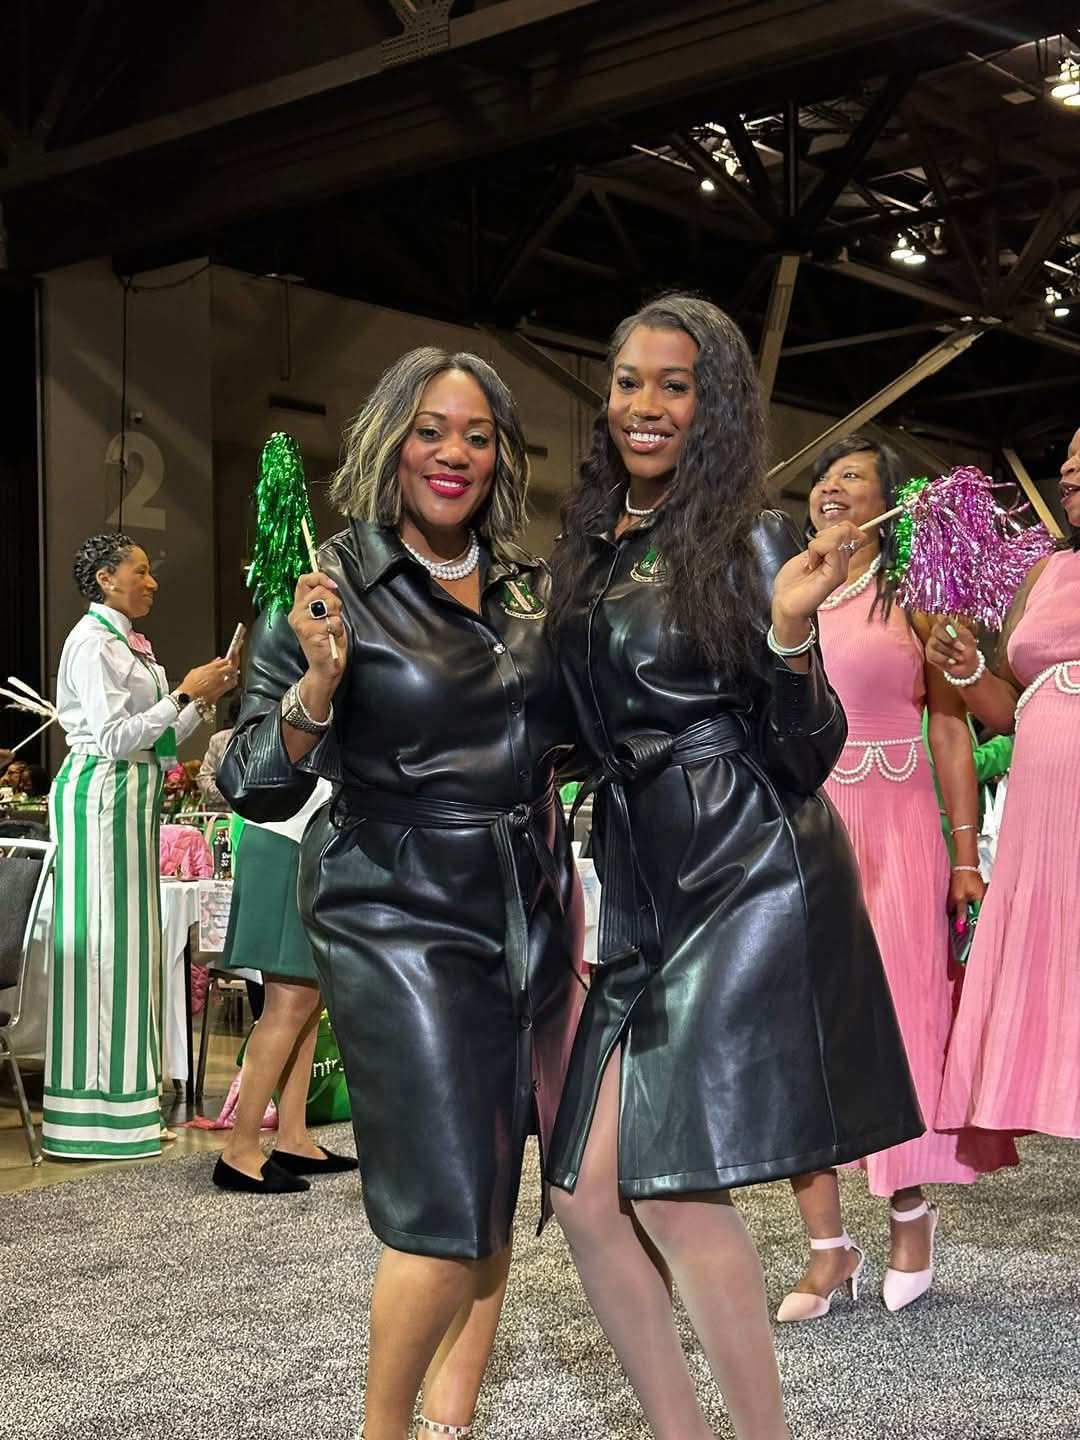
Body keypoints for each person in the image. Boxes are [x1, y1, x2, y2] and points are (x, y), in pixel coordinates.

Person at [544, 296, 921, 1440]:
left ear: (712, 407)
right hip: (641, 873)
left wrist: (793, 636)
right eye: (628, 381)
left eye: (676, 385)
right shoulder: (591, 545)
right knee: (581, 1194)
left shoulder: (750, 538)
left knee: (666, 1182)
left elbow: (807, 753)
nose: (645, 405)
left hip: (748, 864)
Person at [219, 348, 581, 1440]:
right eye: (431, 430)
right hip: (395, 908)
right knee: (443, 1198)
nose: (453, 453)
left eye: (477, 434)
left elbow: (576, 733)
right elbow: (252, 780)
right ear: (391, 440)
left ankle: (450, 1422)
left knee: (496, 1174)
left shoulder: (527, 586)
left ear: (501, 456)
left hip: (528, 898)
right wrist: (318, 686)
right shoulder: (330, 583)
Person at [773, 437, 1017, 1323]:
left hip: (902, 827)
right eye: (823, 477)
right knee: (805, 1026)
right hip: (808, 824)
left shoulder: (913, 595)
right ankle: (827, 1247)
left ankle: (911, 1212)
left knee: (901, 1023)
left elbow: (952, 728)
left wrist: (966, 857)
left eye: (853, 477)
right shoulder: (785, 588)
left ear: (887, 504)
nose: (831, 487)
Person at [44, 533, 235, 1160]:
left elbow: (155, 741)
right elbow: (113, 737)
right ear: (105, 578)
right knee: (105, 947)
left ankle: (128, 1106)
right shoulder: (93, 643)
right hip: (101, 795)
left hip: (131, 796)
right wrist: (183, 692)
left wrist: (199, 699)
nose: (152, 582)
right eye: (141, 571)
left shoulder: (126, 642)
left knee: (133, 950)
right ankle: (93, 1116)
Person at [926, 424, 1080, 1139]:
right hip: (1039, 820)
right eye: (1068, 456)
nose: (1069, 468)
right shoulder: (1046, 573)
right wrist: (965, 670)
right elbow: (1009, 709)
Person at [210, 776, 350, 1194]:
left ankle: (292, 1138)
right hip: (288, 839)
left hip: (301, 839)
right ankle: (240, 1150)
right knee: (288, 1003)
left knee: (308, 999)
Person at [197, 692, 243, 811]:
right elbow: (204, 777)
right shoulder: (218, 740)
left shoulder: (268, 740)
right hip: (225, 811)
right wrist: (228, 796)